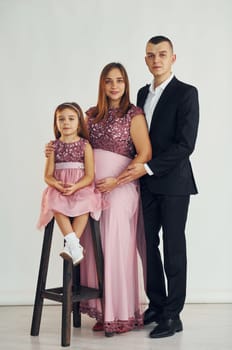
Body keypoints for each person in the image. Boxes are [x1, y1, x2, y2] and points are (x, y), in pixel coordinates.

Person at [118, 36, 199, 338]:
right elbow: (137, 138)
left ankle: (173, 315)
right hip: (145, 184)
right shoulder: (141, 93)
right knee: (147, 246)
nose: (156, 60)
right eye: (151, 55)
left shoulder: (187, 93)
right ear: (145, 60)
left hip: (174, 183)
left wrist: (149, 167)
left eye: (162, 54)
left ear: (173, 58)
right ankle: (156, 304)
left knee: (174, 247)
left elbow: (185, 145)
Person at [79, 62, 152, 337]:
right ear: (102, 84)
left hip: (122, 187)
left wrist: (116, 181)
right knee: (93, 243)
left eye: (119, 80)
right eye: (108, 80)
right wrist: (56, 147)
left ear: (126, 83)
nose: (114, 85)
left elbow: (144, 154)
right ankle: (102, 307)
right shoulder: (91, 115)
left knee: (114, 243)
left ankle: (120, 314)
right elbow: (80, 147)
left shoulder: (134, 114)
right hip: (94, 188)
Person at [37, 102, 102, 265]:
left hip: (80, 187)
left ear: (79, 123)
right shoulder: (54, 146)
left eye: (71, 119)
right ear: (56, 123)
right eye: (61, 119)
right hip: (60, 188)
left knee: (86, 203)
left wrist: (76, 186)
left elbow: (89, 175)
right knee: (53, 201)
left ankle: (71, 245)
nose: (66, 123)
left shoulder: (85, 145)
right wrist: (57, 185)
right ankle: (74, 244)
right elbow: (48, 176)